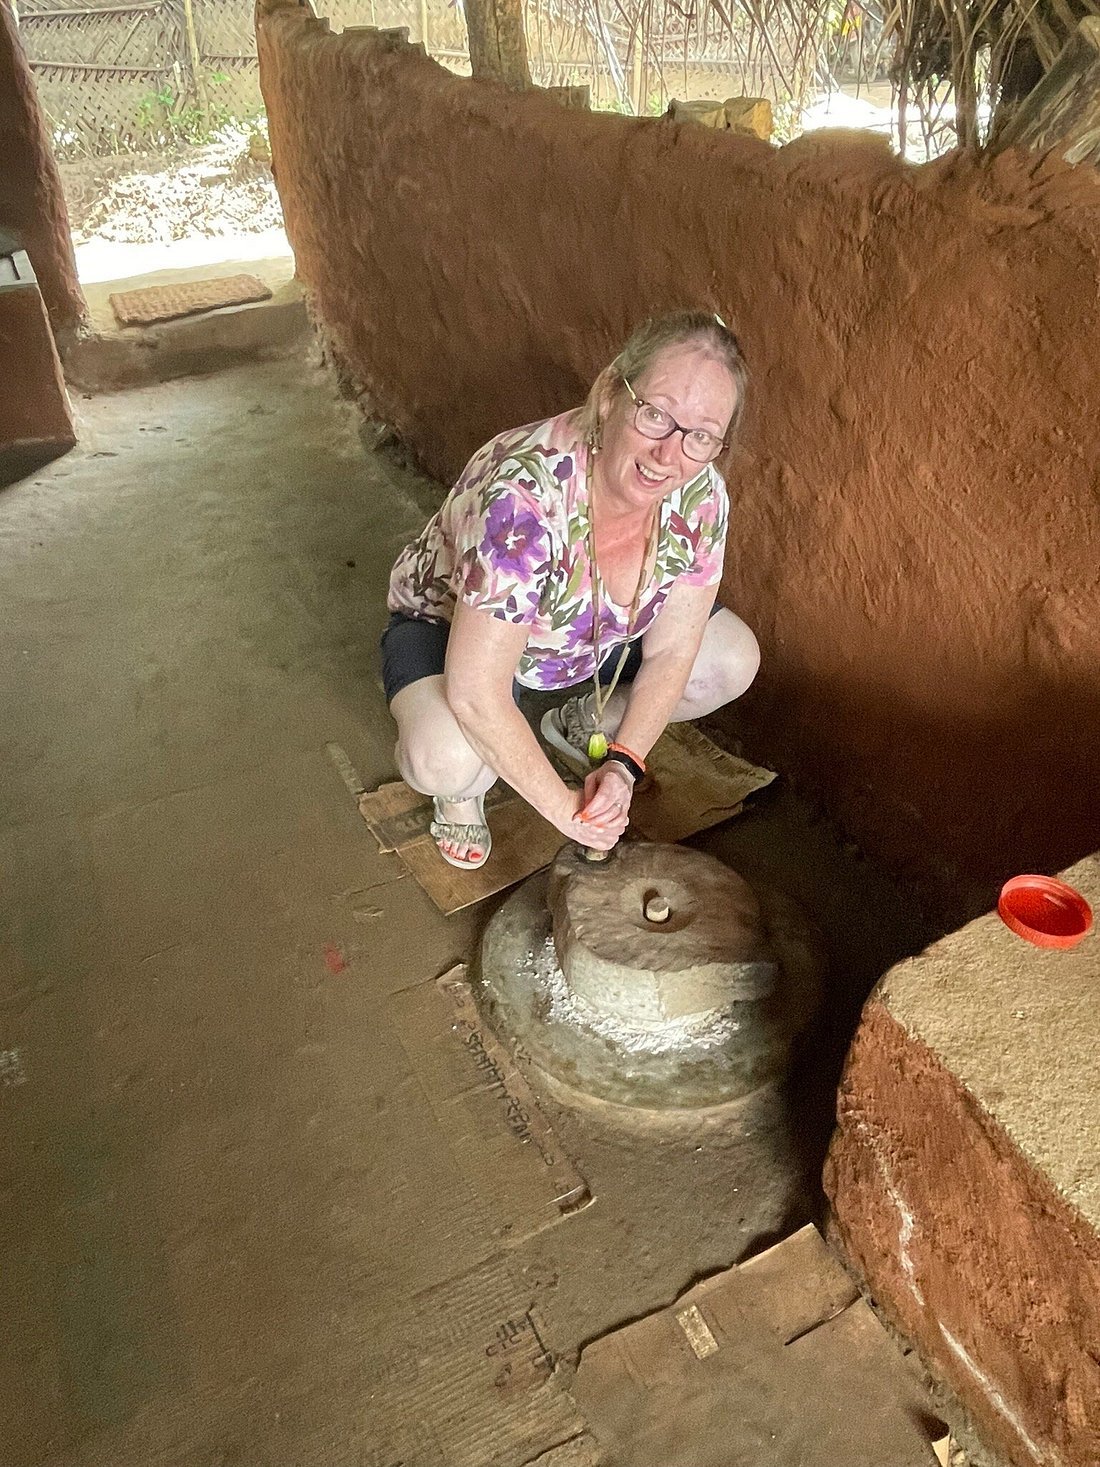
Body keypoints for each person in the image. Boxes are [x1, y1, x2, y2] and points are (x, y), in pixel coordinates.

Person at [381, 309, 760, 870]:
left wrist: (626, 761)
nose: (669, 454)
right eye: (656, 414)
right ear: (610, 394)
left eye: (700, 436)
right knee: (446, 757)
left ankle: (584, 725)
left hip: (587, 636)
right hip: (456, 628)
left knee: (729, 659)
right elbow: (475, 691)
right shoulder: (527, 497)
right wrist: (569, 813)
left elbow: (676, 646)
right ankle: (461, 793)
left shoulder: (701, 494)